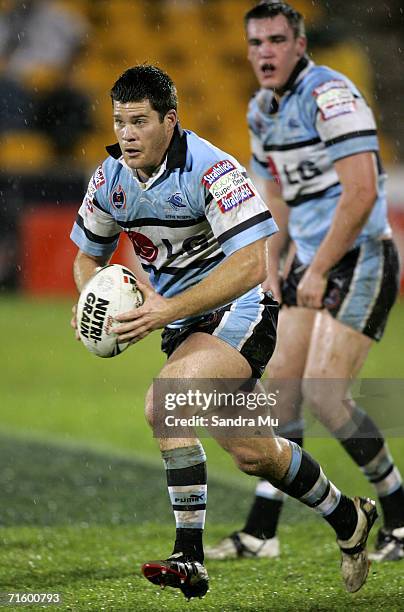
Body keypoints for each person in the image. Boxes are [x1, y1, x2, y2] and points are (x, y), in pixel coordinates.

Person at [70, 64, 378, 600]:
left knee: (165, 403)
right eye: (120, 121)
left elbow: (252, 265)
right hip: (187, 328)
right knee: (256, 453)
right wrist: (90, 299)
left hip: (242, 312)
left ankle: (189, 557)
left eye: (139, 121)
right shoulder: (110, 178)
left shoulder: (213, 171)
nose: (126, 133)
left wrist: (165, 310)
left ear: (170, 120)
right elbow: (87, 257)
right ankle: (348, 515)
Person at [206, 1, 404, 564]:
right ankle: (261, 531)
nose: (264, 52)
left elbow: (363, 191)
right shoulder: (262, 110)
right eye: (255, 43)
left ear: (299, 43)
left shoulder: (330, 96)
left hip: (360, 257)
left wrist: (316, 268)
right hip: (308, 264)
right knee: (283, 394)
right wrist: (272, 271)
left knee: (325, 393)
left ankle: (400, 516)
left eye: (275, 40)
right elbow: (274, 200)